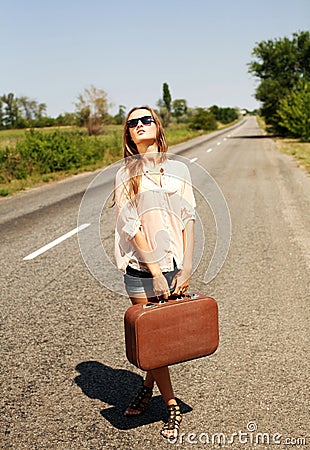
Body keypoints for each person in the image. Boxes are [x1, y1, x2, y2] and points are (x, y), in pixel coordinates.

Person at [113, 106, 196, 440]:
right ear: (129, 135)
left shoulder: (178, 170)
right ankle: (172, 405)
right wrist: (155, 271)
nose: (139, 125)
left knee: (159, 340)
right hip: (140, 268)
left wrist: (186, 266)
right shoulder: (126, 175)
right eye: (133, 123)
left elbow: (188, 216)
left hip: (174, 263)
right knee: (152, 339)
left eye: (146, 119)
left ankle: (147, 388)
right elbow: (132, 227)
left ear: (157, 127)